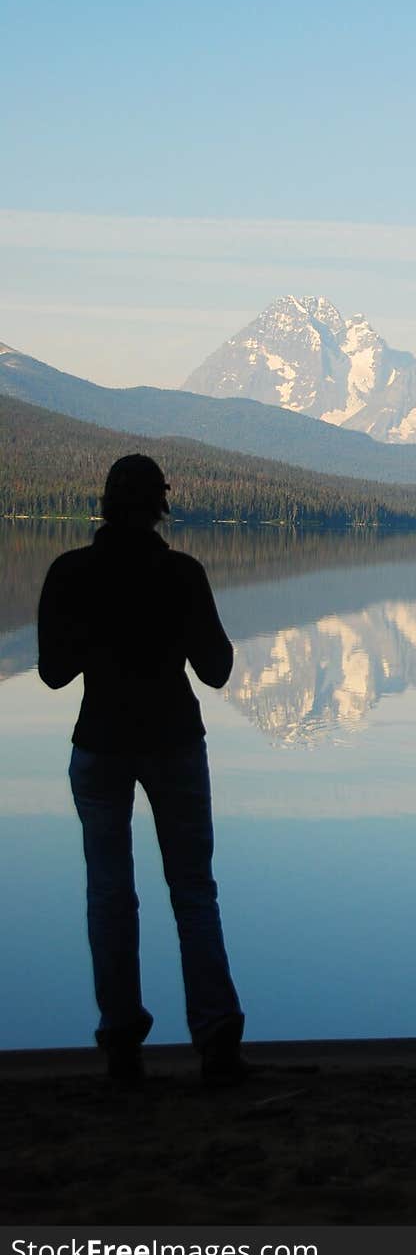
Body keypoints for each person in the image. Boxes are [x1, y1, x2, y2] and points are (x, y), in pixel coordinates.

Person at [37, 454, 245, 1085]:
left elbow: (50, 672)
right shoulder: (181, 573)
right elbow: (216, 669)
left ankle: (122, 1047)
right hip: (174, 742)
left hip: (99, 743)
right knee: (193, 893)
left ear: (104, 504)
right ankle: (216, 1044)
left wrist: (98, 634)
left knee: (109, 895)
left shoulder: (71, 572)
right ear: (162, 504)